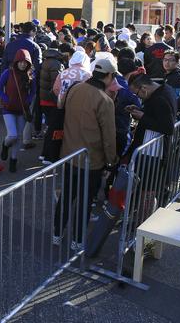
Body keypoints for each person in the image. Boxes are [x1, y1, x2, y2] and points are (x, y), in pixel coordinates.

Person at [54, 59, 117, 249]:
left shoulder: (75, 89)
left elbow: (61, 108)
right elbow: (108, 137)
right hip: (92, 159)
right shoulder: (104, 100)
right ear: (109, 76)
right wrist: (111, 160)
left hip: (69, 153)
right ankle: (77, 240)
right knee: (85, 200)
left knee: (66, 196)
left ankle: (57, 234)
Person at [0, 49, 34, 172]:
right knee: (12, 135)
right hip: (8, 109)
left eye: (26, 62)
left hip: (22, 109)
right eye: (21, 61)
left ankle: (13, 159)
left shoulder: (30, 75)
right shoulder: (8, 73)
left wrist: (28, 100)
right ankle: (5, 145)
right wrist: (6, 99)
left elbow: (33, 92)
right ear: (16, 61)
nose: (23, 64)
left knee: (18, 137)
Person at [127, 73, 177, 154]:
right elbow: (156, 114)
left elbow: (168, 128)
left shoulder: (160, 99)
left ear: (144, 88)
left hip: (154, 151)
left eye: (136, 93)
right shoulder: (165, 88)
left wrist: (142, 117)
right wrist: (140, 110)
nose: (138, 97)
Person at [38, 45, 65, 163]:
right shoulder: (56, 64)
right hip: (52, 101)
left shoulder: (45, 62)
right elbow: (56, 85)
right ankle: (49, 156)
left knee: (50, 128)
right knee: (53, 130)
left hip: (44, 100)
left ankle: (44, 154)